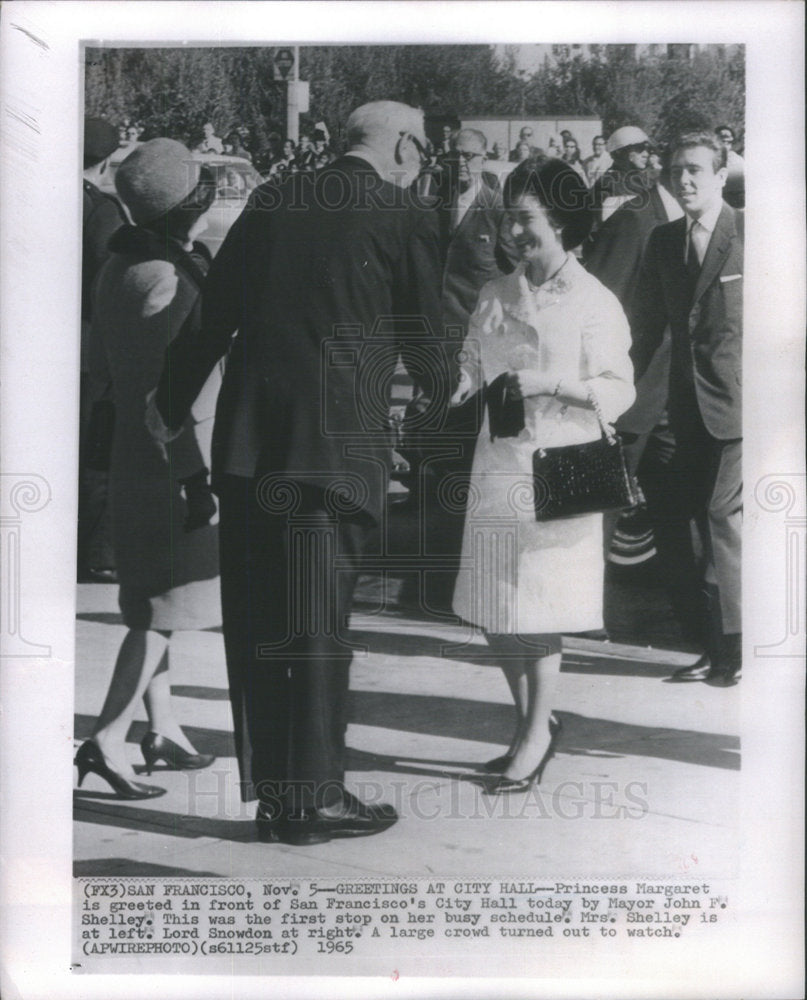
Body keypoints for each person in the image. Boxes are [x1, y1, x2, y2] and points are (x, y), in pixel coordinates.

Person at [147, 101, 448, 844]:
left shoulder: (275, 197)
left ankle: (277, 796)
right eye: (426, 147)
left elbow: (212, 319)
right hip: (334, 451)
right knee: (316, 627)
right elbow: (425, 342)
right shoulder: (404, 211)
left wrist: (170, 405)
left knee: (257, 622)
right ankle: (314, 798)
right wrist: (433, 420)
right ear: (406, 146)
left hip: (251, 451)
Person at [451, 155, 635, 790]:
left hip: (562, 466)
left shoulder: (594, 300)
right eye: (509, 220)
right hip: (499, 464)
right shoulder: (494, 294)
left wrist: (552, 383)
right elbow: (471, 365)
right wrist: (448, 386)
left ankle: (533, 734)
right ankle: (535, 723)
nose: (514, 233)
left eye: (526, 220)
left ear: (560, 220)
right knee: (494, 607)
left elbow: (620, 389)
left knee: (539, 608)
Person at [75, 139, 222, 799]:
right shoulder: (168, 277)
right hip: (173, 457)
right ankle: (106, 739)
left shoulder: (119, 267)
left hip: (131, 450)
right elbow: (177, 394)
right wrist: (196, 477)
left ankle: (161, 728)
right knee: (162, 608)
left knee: (156, 593)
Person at [630, 131, 742, 686]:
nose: (685, 180)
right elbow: (645, 328)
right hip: (685, 407)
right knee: (690, 523)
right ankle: (715, 645)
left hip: (745, 409)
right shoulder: (662, 241)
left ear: (722, 174)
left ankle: (735, 649)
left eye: (697, 169)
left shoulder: (751, 233)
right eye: (676, 171)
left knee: (723, 518)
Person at [407, 127, 520, 609]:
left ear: (485, 158)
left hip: (477, 360)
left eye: (470, 157)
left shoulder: (496, 211)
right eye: (453, 157)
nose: (461, 166)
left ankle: (467, 582)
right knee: (428, 467)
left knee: (469, 469)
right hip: (432, 355)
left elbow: (516, 280)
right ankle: (431, 583)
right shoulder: (429, 206)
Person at [79, 118, 128, 583]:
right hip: (84, 347)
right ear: (108, 161)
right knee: (94, 444)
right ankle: (93, 551)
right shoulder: (101, 211)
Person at [591, 125, 654, 222]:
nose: (646, 154)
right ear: (622, 152)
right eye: (640, 149)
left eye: (647, 150)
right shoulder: (609, 183)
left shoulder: (642, 179)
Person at [715, 124, 744, 208]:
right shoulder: (708, 159)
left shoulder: (738, 160)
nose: (724, 145)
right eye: (722, 141)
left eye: (728, 142)